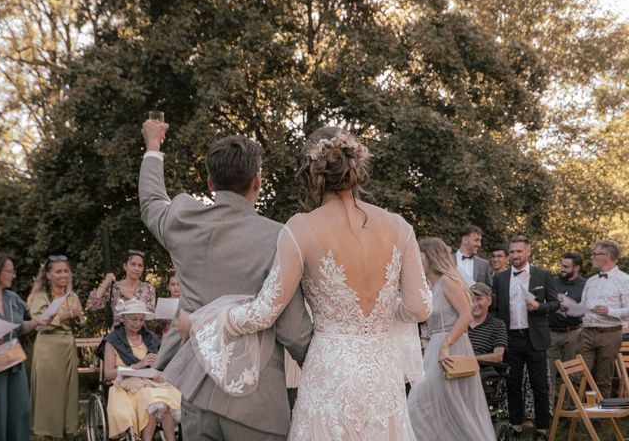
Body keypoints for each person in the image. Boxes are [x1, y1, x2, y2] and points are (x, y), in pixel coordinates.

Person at [166, 126, 431, 439]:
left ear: (309, 173)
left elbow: (265, 312)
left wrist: (202, 321)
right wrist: (379, 313)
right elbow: (420, 307)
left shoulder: (300, 229)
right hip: (382, 372)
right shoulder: (398, 226)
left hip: (328, 370)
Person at [139, 121, 313, 440]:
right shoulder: (279, 238)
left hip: (195, 392)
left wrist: (153, 147)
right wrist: (328, 368)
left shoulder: (183, 221)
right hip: (255, 404)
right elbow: (293, 330)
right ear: (257, 182)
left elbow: (151, 203)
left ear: (210, 183)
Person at [408, 237, 495, 440]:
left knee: (426, 402)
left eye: (419, 254)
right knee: (441, 405)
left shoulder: (448, 281)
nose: (416, 259)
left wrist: (445, 346)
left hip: (451, 347)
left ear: (430, 256)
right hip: (435, 347)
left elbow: (466, 315)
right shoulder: (432, 286)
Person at [492, 235, 558, 441]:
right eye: (512, 252)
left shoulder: (542, 275)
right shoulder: (500, 278)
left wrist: (539, 307)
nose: (515, 255)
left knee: (540, 385)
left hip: (534, 338)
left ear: (528, 252)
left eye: (519, 251)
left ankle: (542, 430)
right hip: (511, 339)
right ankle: (516, 425)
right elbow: (494, 310)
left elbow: (555, 304)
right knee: (512, 384)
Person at [0, 251, 49, 441]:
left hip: (14, 363)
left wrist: (38, 321)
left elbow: (20, 326)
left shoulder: (12, 297)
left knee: (19, 411)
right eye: (10, 271)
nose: (13, 275)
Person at [103, 298, 180, 441]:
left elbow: (163, 365)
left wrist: (158, 369)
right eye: (133, 319)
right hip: (126, 387)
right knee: (152, 399)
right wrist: (135, 366)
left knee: (163, 400)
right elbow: (108, 374)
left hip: (150, 383)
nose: (138, 323)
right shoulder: (112, 340)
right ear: (124, 319)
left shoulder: (150, 337)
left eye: (141, 320)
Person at [29, 255, 85, 440]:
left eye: (66, 271)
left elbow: (81, 321)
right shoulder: (40, 297)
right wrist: (63, 316)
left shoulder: (72, 296)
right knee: (48, 393)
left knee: (66, 393)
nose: (63, 275)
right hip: (47, 349)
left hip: (67, 347)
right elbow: (38, 323)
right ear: (49, 275)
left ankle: (62, 432)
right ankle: (46, 433)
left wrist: (77, 317)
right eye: (58, 271)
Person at [578, 240, 629, 398]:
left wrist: (609, 311)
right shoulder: (590, 281)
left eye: (595, 254)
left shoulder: (624, 280)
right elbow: (582, 306)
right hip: (586, 333)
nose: (591, 257)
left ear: (607, 256)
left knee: (603, 378)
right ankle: (570, 415)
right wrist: (569, 308)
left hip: (610, 334)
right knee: (577, 375)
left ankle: (600, 419)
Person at [547, 252, 586, 391]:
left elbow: (587, 309)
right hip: (551, 332)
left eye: (566, 267)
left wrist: (572, 306)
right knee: (547, 374)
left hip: (573, 333)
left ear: (576, 268)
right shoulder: (552, 282)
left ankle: (570, 409)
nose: (562, 269)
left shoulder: (584, 285)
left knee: (573, 374)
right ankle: (549, 410)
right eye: (561, 265)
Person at [86, 249, 156, 326]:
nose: (136, 268)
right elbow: (92, 305)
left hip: (139, 333)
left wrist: (132, 298)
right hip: (117, 333)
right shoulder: (115, 287)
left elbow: (150, 314)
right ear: (125, 266)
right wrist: (105, 283)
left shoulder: (148, 288)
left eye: (140, 265)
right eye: (133, 264)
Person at [468, 282, 508, 362]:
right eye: (471, 299)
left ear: (489, 301)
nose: (474, 304)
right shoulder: (460, 324)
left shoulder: (498, 325)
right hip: (457, 370)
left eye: (479, 299)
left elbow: (498, 356)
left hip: (483, 370)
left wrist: (469, 360)